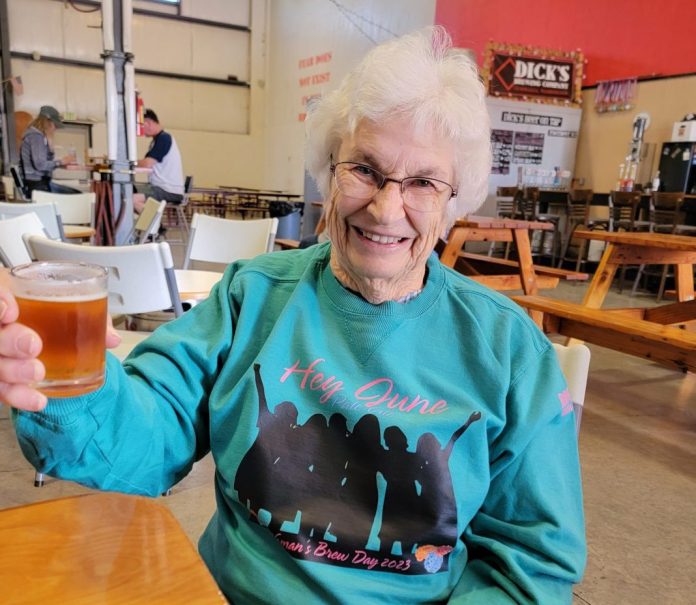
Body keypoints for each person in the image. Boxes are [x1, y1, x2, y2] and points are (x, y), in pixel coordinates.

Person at [0, 27, 585, 603]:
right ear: (328, 170)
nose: (386, 208)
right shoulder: (249, 298)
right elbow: (145, 439)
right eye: (365, 169)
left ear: (455, 198)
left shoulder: (508, 351)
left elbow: (530, 563)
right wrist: (61, 382)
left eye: (424, 183)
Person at [132, 108, 184, 213]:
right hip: (160, 187)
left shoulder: (164, 138)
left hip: (168, 190)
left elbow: (147, 163)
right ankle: (154, 224)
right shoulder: (157, 140)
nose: (141, 132)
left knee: (131, 200)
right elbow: (146, 163)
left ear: (148, 123)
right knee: (130, 190)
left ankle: (156, 226)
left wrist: (128, 163)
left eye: (141, 127)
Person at [19, 105, 79, 196]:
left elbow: (44, 163)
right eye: (55, 125)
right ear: (48, 122)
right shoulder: (36, 137)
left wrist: (59, 163)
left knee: (73, 193)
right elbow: (40, 165)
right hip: (36, 185)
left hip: (37, 182)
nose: (55, 129)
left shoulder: (38, 136)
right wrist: (61, 162)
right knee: (75, 195)